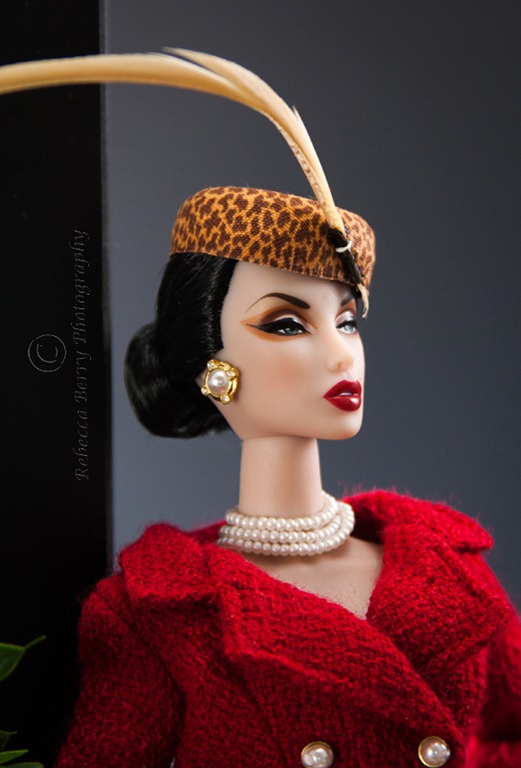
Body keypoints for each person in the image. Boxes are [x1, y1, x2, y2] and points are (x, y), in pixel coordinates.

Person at [1, 50, 519, 768]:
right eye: (286, 323)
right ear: (211, 365)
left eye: (347, 320)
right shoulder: (166, 614)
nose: (340, 354)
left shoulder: (442, 562)